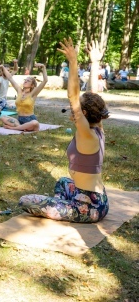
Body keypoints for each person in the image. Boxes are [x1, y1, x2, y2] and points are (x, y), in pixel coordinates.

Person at [19, 38, 109, 223]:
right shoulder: (98, 128)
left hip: (88, 208)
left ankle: (65, 208)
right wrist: (94, 63)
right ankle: (63, 205)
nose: (72, 111)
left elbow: (73, 96)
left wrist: (73, 62)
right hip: (100, 200)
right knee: (62, 181)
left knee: (25, 201)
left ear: (83, 114)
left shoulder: (86, 133)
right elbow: (93, 97)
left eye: (77, 110)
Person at [0, 61, 48, 132]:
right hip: (19, 120)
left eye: (28, 81)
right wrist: (3, 67)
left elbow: (45, 80)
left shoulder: (33, 93)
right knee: (2, 117)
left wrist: (43, 67)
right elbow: (10, 78)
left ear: (32, 85)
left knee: (35, 123)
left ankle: (14, 128)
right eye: (25, 80)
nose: (25, 81)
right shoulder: (19, 91)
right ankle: (21, 127)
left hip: (30, 120)